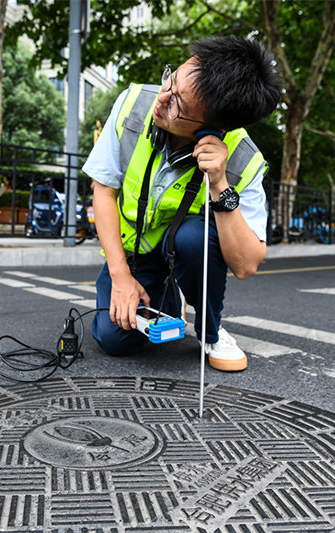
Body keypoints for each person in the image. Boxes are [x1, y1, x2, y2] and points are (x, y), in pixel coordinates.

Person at [82, 36, 282, 372]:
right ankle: (170, 301)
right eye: (170, 80)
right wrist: (120, 276)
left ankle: (211, 331)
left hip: (184, 249)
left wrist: (219, 183)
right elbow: (103, 191)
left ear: (214, 129)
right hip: (134, 254)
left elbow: (247, 264)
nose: (161, 99)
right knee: (115, 340)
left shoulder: (244, 160)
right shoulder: (134, 104)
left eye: (178, 105)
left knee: (195, 238)